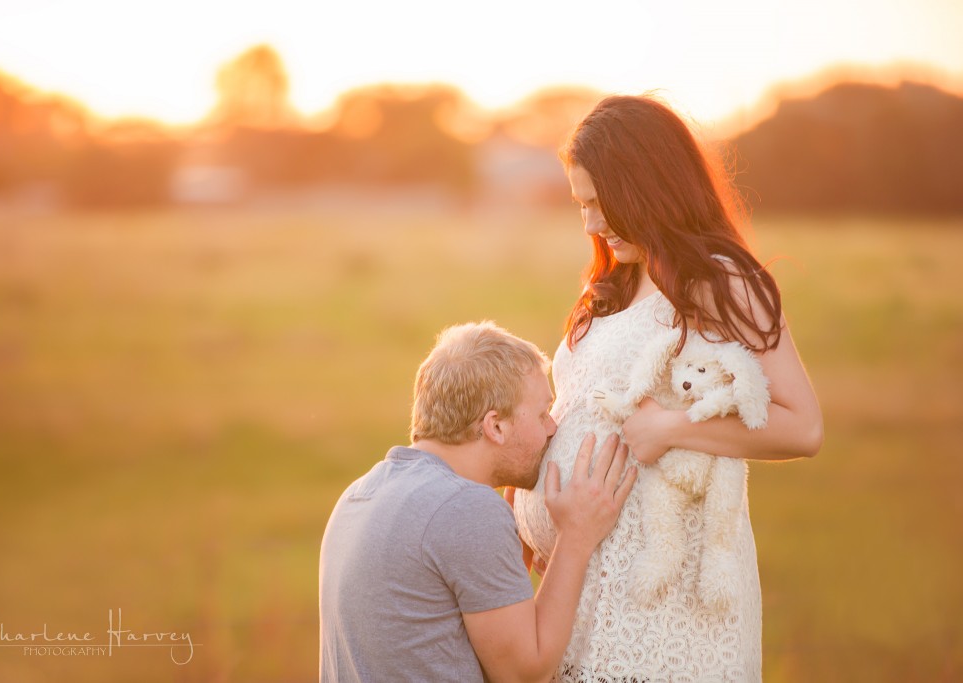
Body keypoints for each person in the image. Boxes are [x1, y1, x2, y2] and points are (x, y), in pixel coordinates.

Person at [512, 95, 824, 682]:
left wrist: (673, 427)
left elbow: (804, 426)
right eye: (582, 206)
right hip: (583, 588)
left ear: (648, 189)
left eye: (602, 205)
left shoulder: (718, 279)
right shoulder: (617, 281)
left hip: (663, 602)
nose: (591, 224)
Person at [319, 321, 638, 682]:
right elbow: (525, 674)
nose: (552, 428)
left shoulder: (359, 495)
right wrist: (576, 536)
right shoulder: (465, 509)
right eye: (541, 413)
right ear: (495, 426)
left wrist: (516, 545)